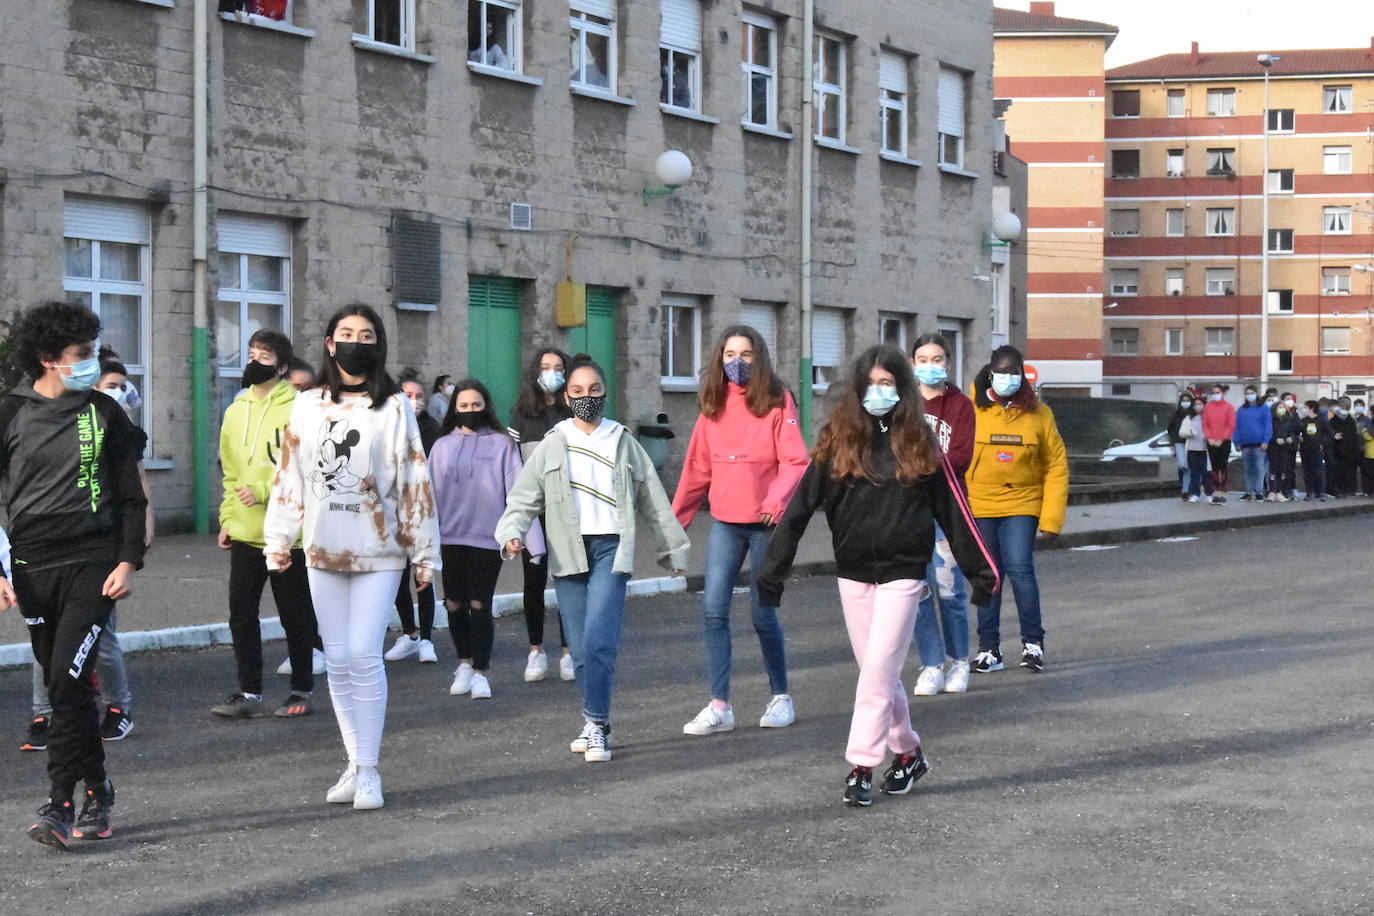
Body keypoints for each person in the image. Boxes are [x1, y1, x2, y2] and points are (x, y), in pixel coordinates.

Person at [757, 345, 997, 807]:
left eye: (888, 384)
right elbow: (799, 510)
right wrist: (772, 572)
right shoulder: (836, 441)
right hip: (853, 574)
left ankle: (861, 765)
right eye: (871, 385)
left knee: (878, 672)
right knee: (877, 672)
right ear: (856, 389)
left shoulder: (920, 443)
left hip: (904, 574)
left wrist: (981, 574)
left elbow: (956, 512)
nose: (878, 393)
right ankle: (908, 753)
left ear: (902, 390)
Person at [263, 305, 440, 810]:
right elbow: (290, 474)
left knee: (363, 654)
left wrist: (425, 554)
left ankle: (370, 771)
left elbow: (414, 481)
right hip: (322, 549)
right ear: (328, 343)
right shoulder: (307, 405)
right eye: (346, 333)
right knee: (337, 661)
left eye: (365, 334)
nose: (355, 341)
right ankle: (352, 761)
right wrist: (278, 538)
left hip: (380, 550)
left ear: (378, 345)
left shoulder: (394, 408)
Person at [0, 301, 147, 847]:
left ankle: (59, 804)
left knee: (63, 679)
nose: (92, 362)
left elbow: (131, 498)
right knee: (69, 688)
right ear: (46, 359)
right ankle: (99, 788)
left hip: (93, 564)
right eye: (80, 355)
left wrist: (128, 560)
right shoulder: (9, 413)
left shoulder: (106, 413)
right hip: (33, 567)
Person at [497, 355, 689, 764]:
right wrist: (512, 532)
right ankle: (594, 719)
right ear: (567, 397)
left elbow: (653, 499)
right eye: (579, 392)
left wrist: (673, 549)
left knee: (600, 642)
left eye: (595, 391)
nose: (587, 398)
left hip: (610, 550)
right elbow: (523, 496)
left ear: (605, 394)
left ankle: (597, 723)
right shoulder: (554, 442)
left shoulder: (622, 441)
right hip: (568, 554)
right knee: (581, 650)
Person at [671, 325, 808, 736]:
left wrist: (775, 501)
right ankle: (719, 705)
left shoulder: (776, 401)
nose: (737, 361)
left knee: (762, 614)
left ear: (759, 357)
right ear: (719, 359)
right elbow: (696, 471)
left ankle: (781, 696)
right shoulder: (712, 407)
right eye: (730, 353)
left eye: (746, 353)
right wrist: (673, 528)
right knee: (713, 609)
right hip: (726, 524)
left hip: (765, 524)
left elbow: (796, 461)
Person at [24, 347, 149, 750]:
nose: (117, 392)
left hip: (99, 553)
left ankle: (117, 706)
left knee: (102, 639)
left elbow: (136, 489)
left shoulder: (113, 421)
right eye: (108, 385)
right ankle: (47, 713)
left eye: (120, 385)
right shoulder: (39, 420)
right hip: (46, 558)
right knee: (48, 648)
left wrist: (133, 547)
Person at [212, 329, 324, 720]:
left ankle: (302, 689)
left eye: (264, 355)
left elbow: (308, 468)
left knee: (296, 615)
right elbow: (229, 471)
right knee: (241, 614)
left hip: (287, 535)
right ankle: (249, 692)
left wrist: (262, 489)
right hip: (244, 532)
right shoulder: (236, 407)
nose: (254, 360)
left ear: (282, 366)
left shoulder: (298, 408)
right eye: (251, 353)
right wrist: (227, 517)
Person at [430, 378, 544, 699]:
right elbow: (426, 499)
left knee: (480, 604)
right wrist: (418, 545)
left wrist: (527, 540)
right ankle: (464, 664)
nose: (470, 411)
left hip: (487, 540)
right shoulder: (441, 447)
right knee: (453, 603)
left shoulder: (502, 445)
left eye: (476, 405)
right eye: (463, 406)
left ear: (486, 407)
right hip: (449, 539)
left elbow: (518, 494)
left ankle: (481, 672)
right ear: (454, 409)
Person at [966, 346, 1068, 675]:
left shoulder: (1039, 414)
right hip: (980, 504)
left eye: (1015, 372)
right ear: (990, 372)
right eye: (1002, 371)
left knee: (1021, 569)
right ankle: (988, 649)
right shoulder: (972, 410)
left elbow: (1056, 466)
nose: (1008, 377)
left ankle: (1032, 644)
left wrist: (1051, 519)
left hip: (1022, 502)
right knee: (988, 576)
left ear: (1022, 374)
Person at [908, 333, 977, 695]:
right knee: (916, 591)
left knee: (950, 590)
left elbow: (962, 456)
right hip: (909, 512)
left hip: (947, 510)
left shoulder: (961, 405)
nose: (930, 366)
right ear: (912, 363)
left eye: (937, 359)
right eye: (923, 358)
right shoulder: (903, 404)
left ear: (947, 363)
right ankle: (932, 664)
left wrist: (920, 465)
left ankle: (959, 661)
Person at [507, 348, 575, 682]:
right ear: (535, 372)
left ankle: (569, 651)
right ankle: (536, 651)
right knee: (533, 582)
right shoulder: (520, 415)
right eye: (546, 367)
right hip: (535, 514)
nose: (552, 373)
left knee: (569, 581)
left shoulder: (574, 411)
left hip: (569, 514)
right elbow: (512, 467)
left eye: (559, 368)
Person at [383, 376, 441, 665]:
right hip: (393, 515)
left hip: (422, 514)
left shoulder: (432, 431)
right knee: (397, 577)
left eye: (419, 395)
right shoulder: (388, 426)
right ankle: (410, 633)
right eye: (407, 394)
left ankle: (428, 638)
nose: (414, 400)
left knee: (423, 577)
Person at [1233, 384, 1272, 502]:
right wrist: (1237, 441)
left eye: (1252, 393)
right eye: (1247, 393)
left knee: (1260, 468)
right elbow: (1236, 427)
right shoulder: (1241, 410)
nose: (1250, 395)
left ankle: (1259, 492)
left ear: (1256, 394)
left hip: (1259, 444)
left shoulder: (1264, 408)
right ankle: (1248, 492)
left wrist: (1266, 441)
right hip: (1245, 444)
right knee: (1247, 469)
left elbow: (1268, 425)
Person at [1201, 384, 1236, 505]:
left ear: (1222, 393)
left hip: (1224, 441)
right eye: (1213, 392)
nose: (1215, 394)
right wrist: (1209, 437)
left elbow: (1231, 424)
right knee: (1214, 467)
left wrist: (1222, 438)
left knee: (1223, 466)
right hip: (1211, 441)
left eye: (1217, 392)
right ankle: (1215, 492)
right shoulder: (1208, 407)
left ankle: (1223, 492)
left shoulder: (1228, 407)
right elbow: (1205, 424)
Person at [1298, 401, 1331, 501]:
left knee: (1318, 471)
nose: (1304, 410)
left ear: (1311, 408)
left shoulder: (1322, 420)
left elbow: (1329, 434)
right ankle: (1309, 492)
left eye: (1305, 407)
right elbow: (1297, 432)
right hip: (1305, 449)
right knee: (1307, 472)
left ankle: (1320, 492)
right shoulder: (1303, 421)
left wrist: (1323, 444)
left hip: (1317, 449)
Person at [1268, 396, 1298, 502]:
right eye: (1279, 407)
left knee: (1282, 470)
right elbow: (1268, 433)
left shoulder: (1288, 419)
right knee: (1273, 470)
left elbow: (1292, 432)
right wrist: (1275, 439)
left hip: (1284, 447)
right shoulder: (1271, 420)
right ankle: (1271, 491)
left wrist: (1291, 438)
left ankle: (1279, 491)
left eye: (1283, 407)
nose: (1282, 409)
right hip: (1273, 447)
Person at [1167, 391, 1196, 501]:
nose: (1185, 403)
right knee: (1182, 465)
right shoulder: (1176, 415)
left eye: (1187, 400)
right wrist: (1174, 439)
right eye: (1183, 401)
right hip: (1179, 442)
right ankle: (1186, 489)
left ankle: (1185, 491)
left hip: (1190, 443)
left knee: (1188, 467)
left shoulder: (1194, 415)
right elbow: (1170, 428)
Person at [1330, 398, 1360, 498]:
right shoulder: (1334, 420)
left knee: (1349, 472)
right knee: (1338, 471)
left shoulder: (1351, 421)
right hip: (1337, 450)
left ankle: (1347, 490)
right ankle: (1339, 489)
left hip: (1349, 450)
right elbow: (1329, 433)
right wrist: (1334, 436)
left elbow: (1354, 437)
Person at [1184, 397, 1208, 502]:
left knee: (1206, 473)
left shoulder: (1207, 417)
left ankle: (1209, 494)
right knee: (1194, 473)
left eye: (1200, 403)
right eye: (1196, 404)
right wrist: (1189, 432)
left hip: (1204, 449)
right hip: (1192, 449)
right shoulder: (1189, 418)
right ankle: (1195, 494)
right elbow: (1183, 431)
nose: (1198, 406)